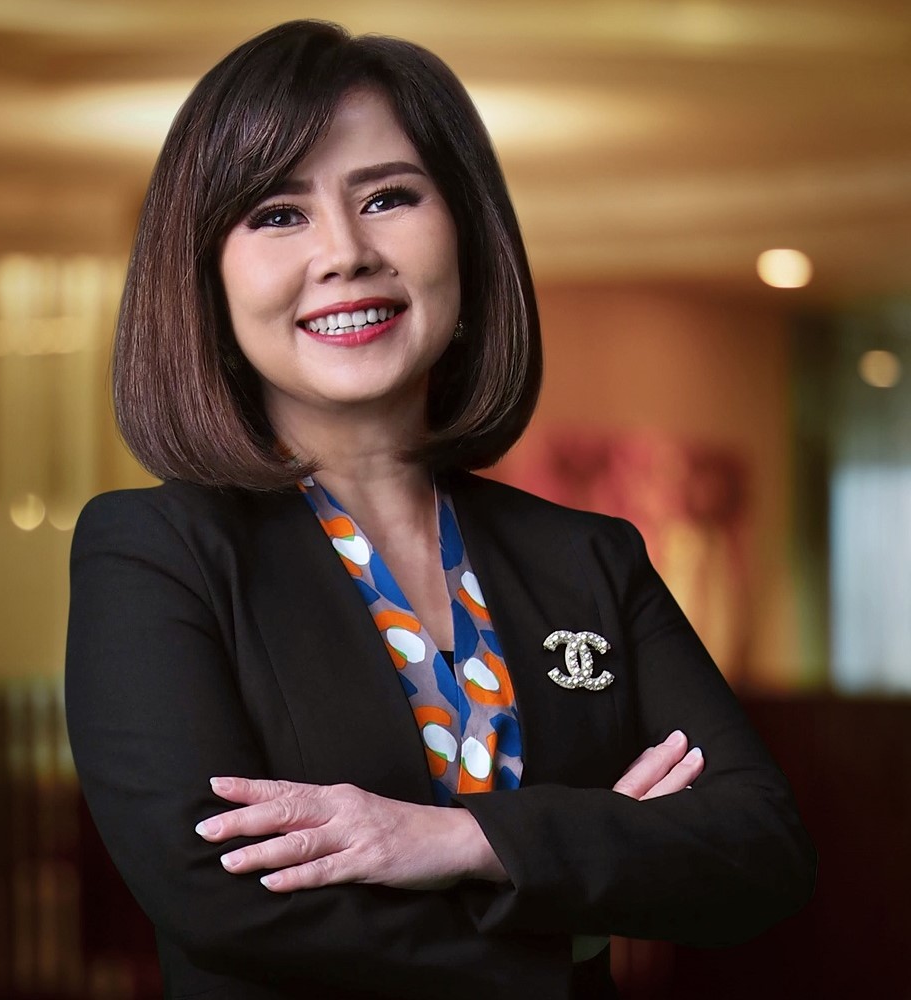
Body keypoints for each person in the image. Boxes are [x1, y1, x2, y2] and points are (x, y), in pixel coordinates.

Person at [64, 19, 815, 1000]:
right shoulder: (157, 554)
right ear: (206, 278)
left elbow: (759, 848)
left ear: (464, 232)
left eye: (388, 197)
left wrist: (457, 839)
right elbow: (221, 898)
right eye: (278, 214)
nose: (344, 252)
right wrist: (572, 910)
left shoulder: (589, 557)